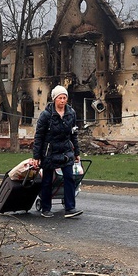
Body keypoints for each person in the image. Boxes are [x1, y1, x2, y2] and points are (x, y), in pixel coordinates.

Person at [31, 85, 83, 218]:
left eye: (65, 97)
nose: (62, 100)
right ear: (54, 99)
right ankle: (46, 208)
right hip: (50, 151)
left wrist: (76, 152)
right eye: (60, 98)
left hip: (65, 150)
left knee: (69, 178)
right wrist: (36, 156)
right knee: (47, 180)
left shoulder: (71, 113)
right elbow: (39, 136)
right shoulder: (46, 115)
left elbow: (74, 134)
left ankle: (70, 208)